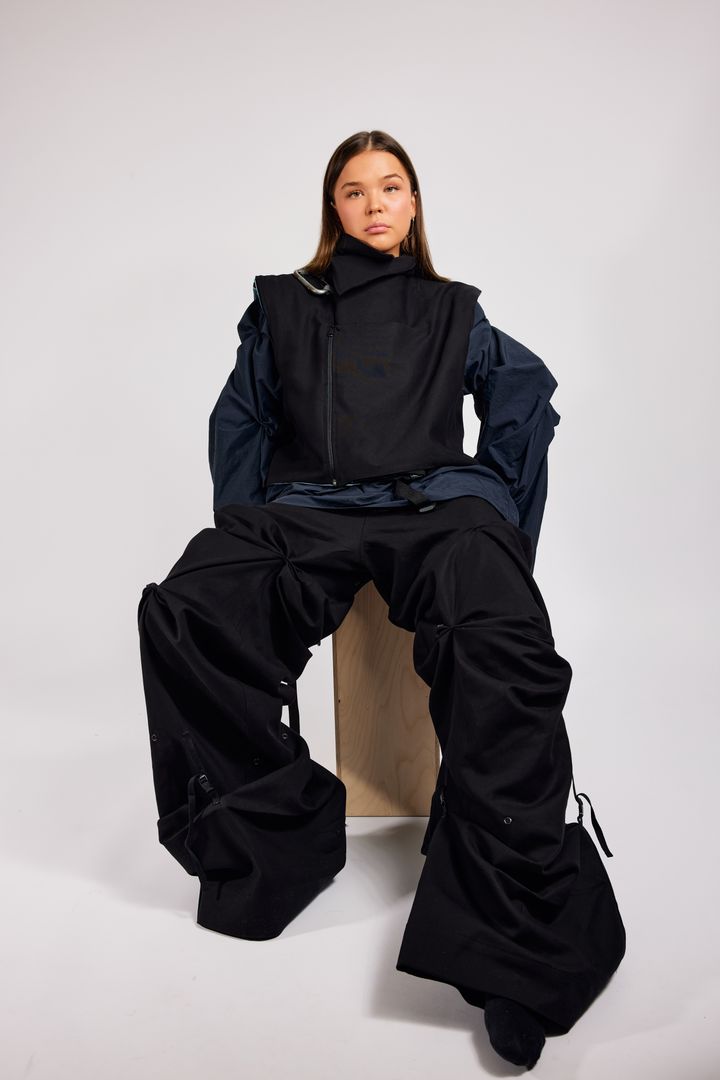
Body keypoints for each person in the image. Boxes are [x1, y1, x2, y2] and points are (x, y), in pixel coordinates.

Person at [137, 129, 626, 1070]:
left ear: (413, 204)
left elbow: (523, 391)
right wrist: (248, 521)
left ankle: (515, 932)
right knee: (188, 609)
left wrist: (500, 506)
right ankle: (276, 839)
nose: (373, 204)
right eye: (354, 190)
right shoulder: (282, 304)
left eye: (390, 187)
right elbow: (240, 416)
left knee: (501, 639)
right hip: (310, 510)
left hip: (435, 506)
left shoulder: (453, 308)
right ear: (334, 209)